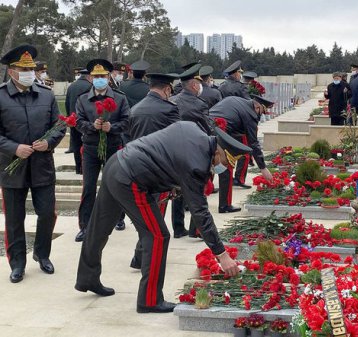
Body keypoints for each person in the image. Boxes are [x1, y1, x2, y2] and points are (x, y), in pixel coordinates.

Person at [75, 121, 248, 313]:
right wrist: (222, 255)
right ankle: (149, 301)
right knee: (157, 236)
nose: (221, 167)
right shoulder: (196, 163)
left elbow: (166, 156)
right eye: (223, 162)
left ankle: (87, 278)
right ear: (217, 152)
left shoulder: (192, 129)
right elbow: (200, 213)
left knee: (99, 227)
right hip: (130, 179)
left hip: (116, 163)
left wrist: (171, 186)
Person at [0, 45, 66, 283]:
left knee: (47, 213)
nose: (29, 73)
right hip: (11, 168)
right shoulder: (0, 95)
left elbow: (59, 126)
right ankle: (17, 263)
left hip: (42, 166)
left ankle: (42, 253)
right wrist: (14, 148)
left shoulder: (46, 95)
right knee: (15, 218)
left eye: (31, 69)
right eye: (22, 69)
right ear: (11, 72)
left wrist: (48, 143)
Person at [127, 71, 181, 270]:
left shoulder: (136, 108)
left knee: (146, 216)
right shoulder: (169, 110)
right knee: (155, 218)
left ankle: (139, 257)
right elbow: (175, 144)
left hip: (135, 168)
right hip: (159, 171)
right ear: (167, 89)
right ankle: (142, 258)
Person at [74, 59, 129, 242]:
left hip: (113, 146)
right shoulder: (83, 99)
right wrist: (92, 126)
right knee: (89, 187)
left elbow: (127, 122)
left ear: (109, 77)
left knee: (115, 183)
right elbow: (78, 122)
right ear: (90, 78)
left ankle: (118, 218)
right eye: (96, 76)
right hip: (90, 147)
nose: (99, 79)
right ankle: (85, 226)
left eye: (103, 76)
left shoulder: (119, 98)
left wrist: (111, 127)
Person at [209, 95, 273, 213]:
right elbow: (253, 143)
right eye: (261, 112)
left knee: (203, 167)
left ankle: (188, 204)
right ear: (257, 107)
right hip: (220, 133)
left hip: (205, 127)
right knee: (226, 168)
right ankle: (225, 205)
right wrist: (263, 168)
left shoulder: (235, 99)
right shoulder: (250, 114)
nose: (260, 116)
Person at [170, 64, 212, 238]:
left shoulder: (172, 101)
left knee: (177, 189)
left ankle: (178, 228)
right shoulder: (200, 105)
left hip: (174, 151)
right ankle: (196, 230)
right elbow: (208, 130)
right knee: (197, 192)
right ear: (194, 85)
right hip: (195, 153)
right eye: (199, 82)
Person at [65, 68, 92, 174]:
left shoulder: (71, 86)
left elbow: (67, 103)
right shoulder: (90, 86)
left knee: (76, 145)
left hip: (73, 120)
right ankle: (85, 168)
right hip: (86, 121)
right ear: (89, 76)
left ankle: (78, 168)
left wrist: (69, 118)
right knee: (86, 144)